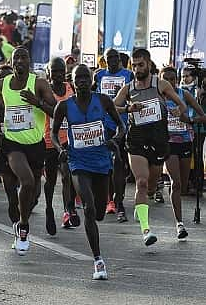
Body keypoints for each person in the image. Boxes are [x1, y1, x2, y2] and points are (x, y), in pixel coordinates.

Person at [52, 64, 125, 280]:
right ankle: (98, 261)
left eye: (86, 77)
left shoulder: (103, 101)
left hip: (102, 162)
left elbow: (121, 126)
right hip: (78, 162)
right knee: (89, 208)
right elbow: (54, 134)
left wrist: (114, 140)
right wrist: (60, 149)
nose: (82, 80)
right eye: (78, 78)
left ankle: (96, 214)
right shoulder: (64, 107)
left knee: (100, 212)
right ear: (72, 82)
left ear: (92, 80)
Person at [113, 48, 188, 246]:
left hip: (158, 141)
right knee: (142, 183)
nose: (137, 69)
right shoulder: (128, 89)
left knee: (152, 186)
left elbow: (181, 104)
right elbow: (111, 107)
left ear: (148, 63)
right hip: (136, 140)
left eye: (140, 65)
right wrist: (128, 108)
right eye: (134, 65)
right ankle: (146, 230)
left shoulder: (160, 84)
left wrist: (176, 111)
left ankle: (142, 204)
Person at [0, 47, 56, 255]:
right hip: (12, 144)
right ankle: (23, 226)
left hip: (36, 145)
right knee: (23, 185)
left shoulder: (39, 83)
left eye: (23, 57)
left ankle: (21, 219)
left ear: (29, 62)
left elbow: (56, 111)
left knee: (33, 194)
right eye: (15, 57)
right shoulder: (2, 83)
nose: (19, 61)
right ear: (11, 62)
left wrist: (37, 103)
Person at [160, 67, 205, 240]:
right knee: (176, 183)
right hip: (168, 144)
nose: (170, 83)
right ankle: (179, 224)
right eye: (166, 79)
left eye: (173, 79)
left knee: (184, 186)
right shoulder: (159, 98)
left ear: (177, 80)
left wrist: (190, 120)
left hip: (186, 142)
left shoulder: (184, 95)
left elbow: (203, 116)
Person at [94, 48, 134, 222]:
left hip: (124, 124)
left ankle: (118, 200)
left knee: (120, 164)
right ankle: (112, 201)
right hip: (105, 125)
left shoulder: (129, 75)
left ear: (120, 59)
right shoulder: (99, 75)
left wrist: (127, 100)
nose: (112, 60)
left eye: (115, 58)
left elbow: (134, 97)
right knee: (109, 163)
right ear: (105, 60)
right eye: (109, 58)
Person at [42, 57, 75, 234]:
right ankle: (48, 209)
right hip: (49, 141)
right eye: (54, 71)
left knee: (67, 175)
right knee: (51, 180)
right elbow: (51, 111)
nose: (57, 74)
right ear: (48, 73)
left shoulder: (71, 88)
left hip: (68, 140)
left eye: (60, 71)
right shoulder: (45, 90)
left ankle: (67, 211)